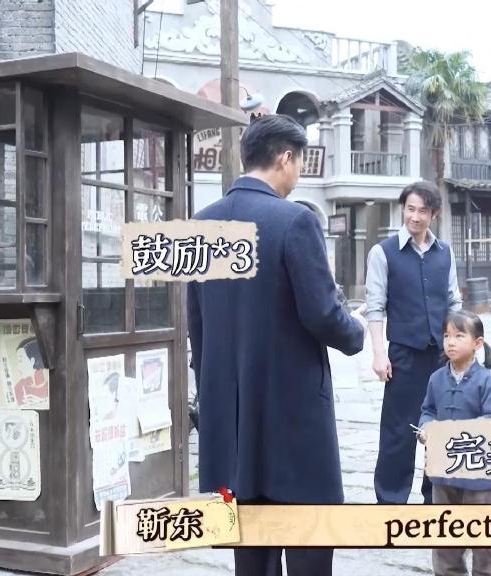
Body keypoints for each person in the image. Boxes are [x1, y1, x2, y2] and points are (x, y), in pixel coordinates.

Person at [187, 114, 367, 576]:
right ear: (285, 158)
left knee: (251, 551)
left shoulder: (202, 224)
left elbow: (197, 325)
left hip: (231, 421)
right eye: (299, 162)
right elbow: (322, 313)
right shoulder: (294, 221)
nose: (299, 173)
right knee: (307, 545)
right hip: (293, 418)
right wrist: (356, 330)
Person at [365, 181, 462, 505]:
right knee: (398, 432)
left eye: (422, 211)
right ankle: (390, 501)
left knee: (441, 429)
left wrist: (459, 347)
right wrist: (379, 354)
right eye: (410, 209)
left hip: (442, 358)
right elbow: (375, 307)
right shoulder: (383, 253)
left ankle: (435, 498)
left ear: (434, 214)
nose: (415, 217)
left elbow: (454, 302)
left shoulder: (445, 252)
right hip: (403, 356)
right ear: (403, 209)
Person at [418, 311, 491, 576]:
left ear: (477, 343)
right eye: (446, 336)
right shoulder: (436, 379)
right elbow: (428, 410)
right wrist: (426, 428)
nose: (450, 342)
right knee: (446, 540)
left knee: (485, 543)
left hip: (480, 477)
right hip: (444, 475)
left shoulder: (486, 381)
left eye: (458, 336)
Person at [13, 338, 48, 405]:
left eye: (20, 361)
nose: (18, 367)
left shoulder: (50, 381)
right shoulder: (18, 387)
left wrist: (41, 402)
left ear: (32, 361)